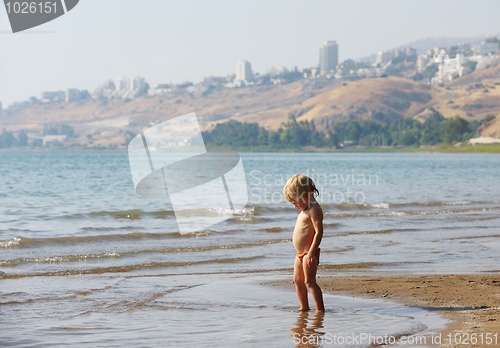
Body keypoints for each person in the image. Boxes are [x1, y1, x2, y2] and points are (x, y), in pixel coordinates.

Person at [283, 174, 325, 313]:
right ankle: (304, 307)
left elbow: (318, 232)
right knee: (297, 280)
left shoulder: (315, 210)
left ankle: (320, 310)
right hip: (299, 254)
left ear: (305, 195)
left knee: (310, 282)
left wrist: (312, 253)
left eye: (295, 202)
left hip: (309, 253)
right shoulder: (304, 209)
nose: (295, 206)